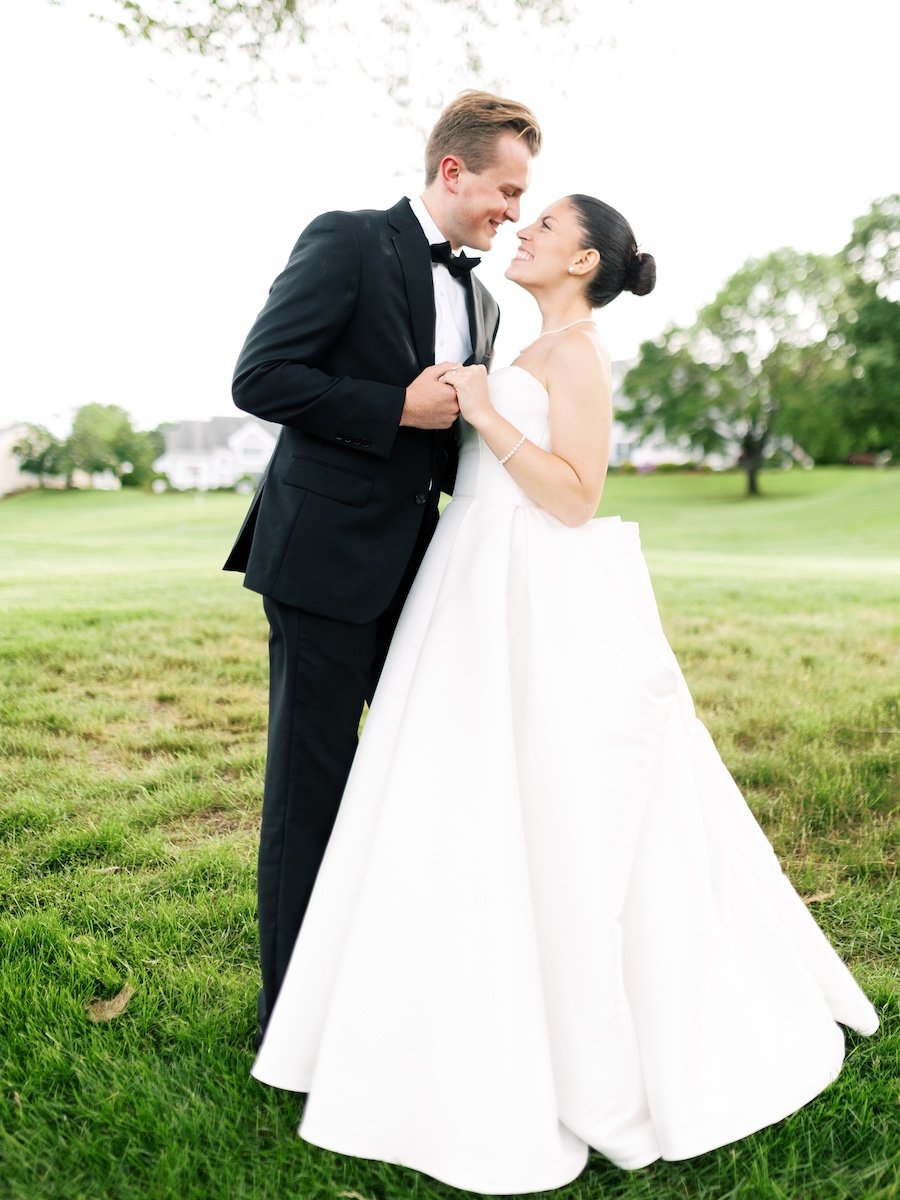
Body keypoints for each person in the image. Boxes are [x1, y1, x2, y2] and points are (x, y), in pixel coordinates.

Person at [250, 193, 880, 1194]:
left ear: (584, 259)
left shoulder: (577, 352)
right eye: (520, 212)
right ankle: (428, 991)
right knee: (458, 796)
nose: (522, 230)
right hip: (466, 583)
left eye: (542, 223)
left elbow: (577, 495)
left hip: (531, 590)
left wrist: (487, 410)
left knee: (549, 800)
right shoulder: (516, 334)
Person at [223, 92, 542, 1040]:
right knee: (311, 787)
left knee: (412, 776)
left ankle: (384, 975)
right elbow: (261, 377)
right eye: (505, 189)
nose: (512, 212)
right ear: (454, 170)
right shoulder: (349, 239)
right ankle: (293, 1013)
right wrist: (393, 408)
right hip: (321, 560)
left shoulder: (483, 300)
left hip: (422, 570)